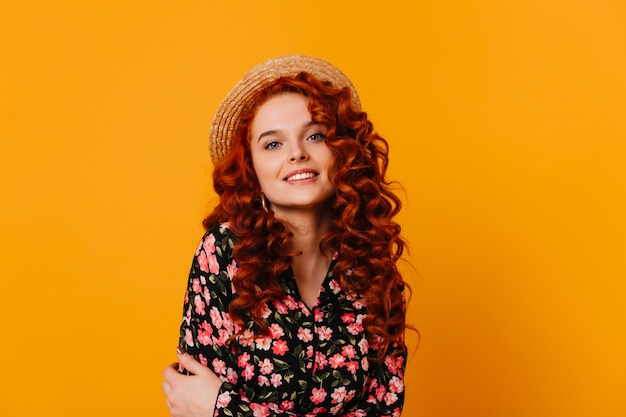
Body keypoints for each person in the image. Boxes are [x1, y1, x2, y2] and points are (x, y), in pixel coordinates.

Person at [162, 54, 409, 417]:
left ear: (342, 151)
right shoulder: (223, 255)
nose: (297, 153)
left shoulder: (374, 268)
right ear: (251, 168)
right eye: (272, 144)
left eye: (314, 135)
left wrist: (222, 408)